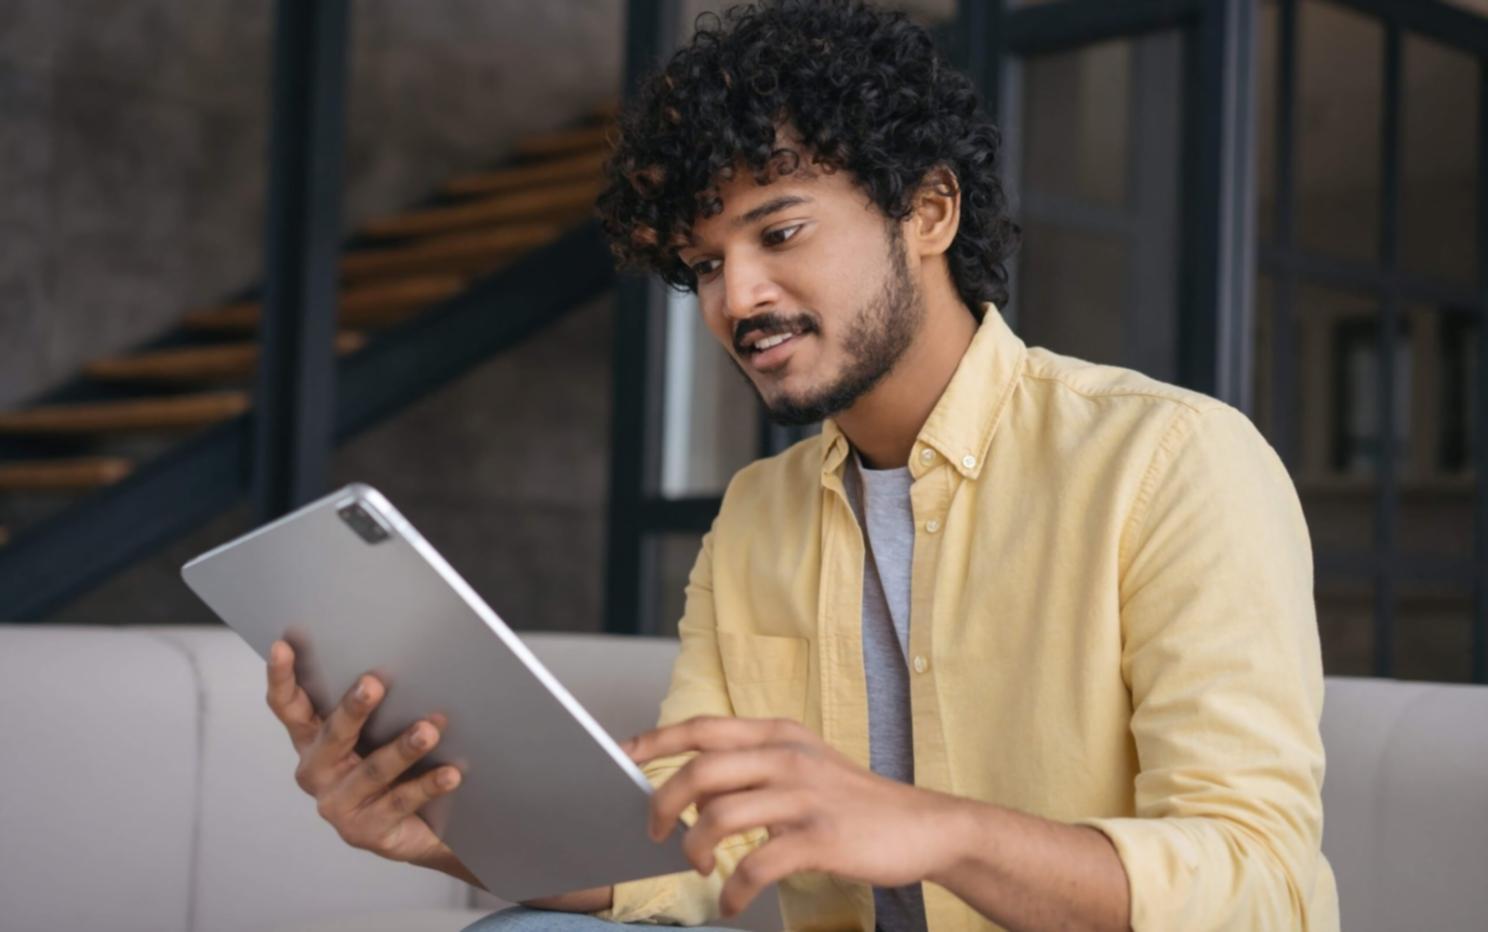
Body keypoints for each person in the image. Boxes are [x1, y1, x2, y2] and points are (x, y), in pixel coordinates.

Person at [266, 1, 1340, 929]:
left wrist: (935, 828)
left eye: (779, 233)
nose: (736, 299)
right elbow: (692, 852)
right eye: (705, 266)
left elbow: (1264, 887)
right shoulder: (757, 516)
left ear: (929, 210)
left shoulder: (1169, 461)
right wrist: (441, 827)